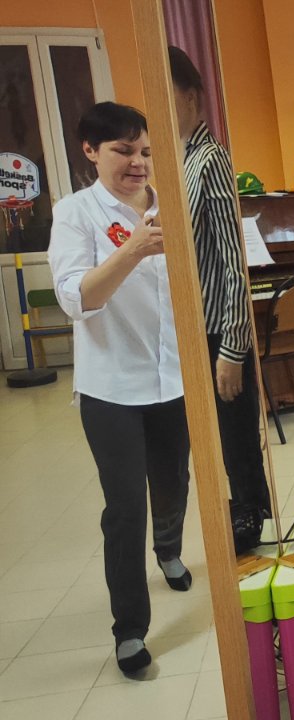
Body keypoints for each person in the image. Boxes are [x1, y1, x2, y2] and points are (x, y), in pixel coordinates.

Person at [47, 102, 191, 676]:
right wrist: (133, 248)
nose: (138, 163)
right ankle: (130, 630)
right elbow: (76, 298)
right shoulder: (75, 213)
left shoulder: (171, 204)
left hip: (174, 377)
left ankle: (170, 550)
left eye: (146, 152)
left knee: (173, 482)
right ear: (90, 151)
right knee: (126, 507)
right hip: (111, 387)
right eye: (123, 151)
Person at [169, 46, 269, 547]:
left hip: (218, 329)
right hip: (193, 327)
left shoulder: (209, 159)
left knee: (236, 437)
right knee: (216, 437)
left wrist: (232, 349)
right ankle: (237, 522)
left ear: (191, 96)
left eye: (167, 94)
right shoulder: (179, 158)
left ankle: (249, 523)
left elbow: (234, 262)